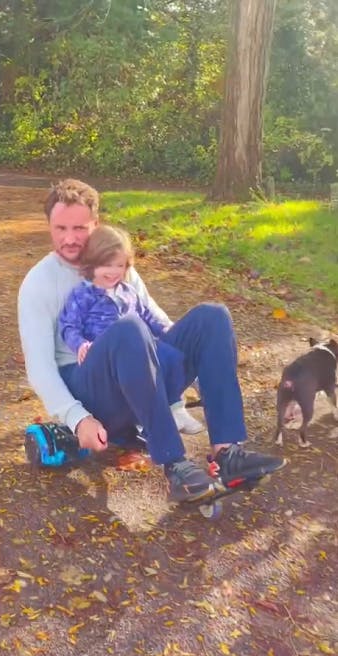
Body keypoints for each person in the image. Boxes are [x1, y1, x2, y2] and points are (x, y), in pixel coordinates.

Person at [17, 178, 286, 502]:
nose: (70, 238)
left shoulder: (116, 266)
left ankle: (227, 453)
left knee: (212, 317)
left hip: (140, 376)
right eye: (60, 228)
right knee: (129, 329)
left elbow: (158, 323)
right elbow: (40, 369)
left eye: (79, 228)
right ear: (49, 225)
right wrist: (78, 419)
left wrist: (198, 369)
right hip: (91, 387)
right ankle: (176, 466)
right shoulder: (39, 283)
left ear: (96, 225)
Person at [58, 224, 204, 435]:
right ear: (92, 263)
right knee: (139, 363)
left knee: (170, 356)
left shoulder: (128, 291)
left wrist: (167, 330)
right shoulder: (83, 295)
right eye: (106, 265)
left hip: (139, 348)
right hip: (107, 357)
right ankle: (153, 417)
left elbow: (148, 316)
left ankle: (175, 406)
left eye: (119, 265)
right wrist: (80, 344)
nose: (113, 272)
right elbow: (69, 326)